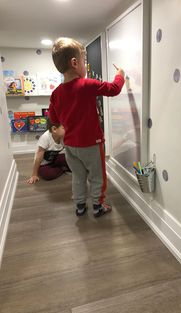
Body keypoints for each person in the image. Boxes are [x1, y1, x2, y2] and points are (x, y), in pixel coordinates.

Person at [49, 37, 125, 217]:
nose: (85, 65)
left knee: (78, 176)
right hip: (91, 143)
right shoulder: (87, 84)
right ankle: (98, 206)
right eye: (84, 61)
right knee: (97, 176)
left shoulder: (56, 93)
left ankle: (80, 206)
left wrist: (63, 125)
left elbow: (53, 117)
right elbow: (114, 89)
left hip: (70, 146)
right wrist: (120, 75)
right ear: (75, 63)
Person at [27, 120, 70, 184]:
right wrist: (34, 174)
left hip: (54, 159)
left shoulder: (63, 137)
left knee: (71, 160)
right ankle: (62, 169)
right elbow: (39, 155)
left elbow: (69, 151)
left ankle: (62, 167)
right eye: (64, 128)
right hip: (43, 164)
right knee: (48, 175)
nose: (67, 130)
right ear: (54, 129)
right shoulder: (45, 137)